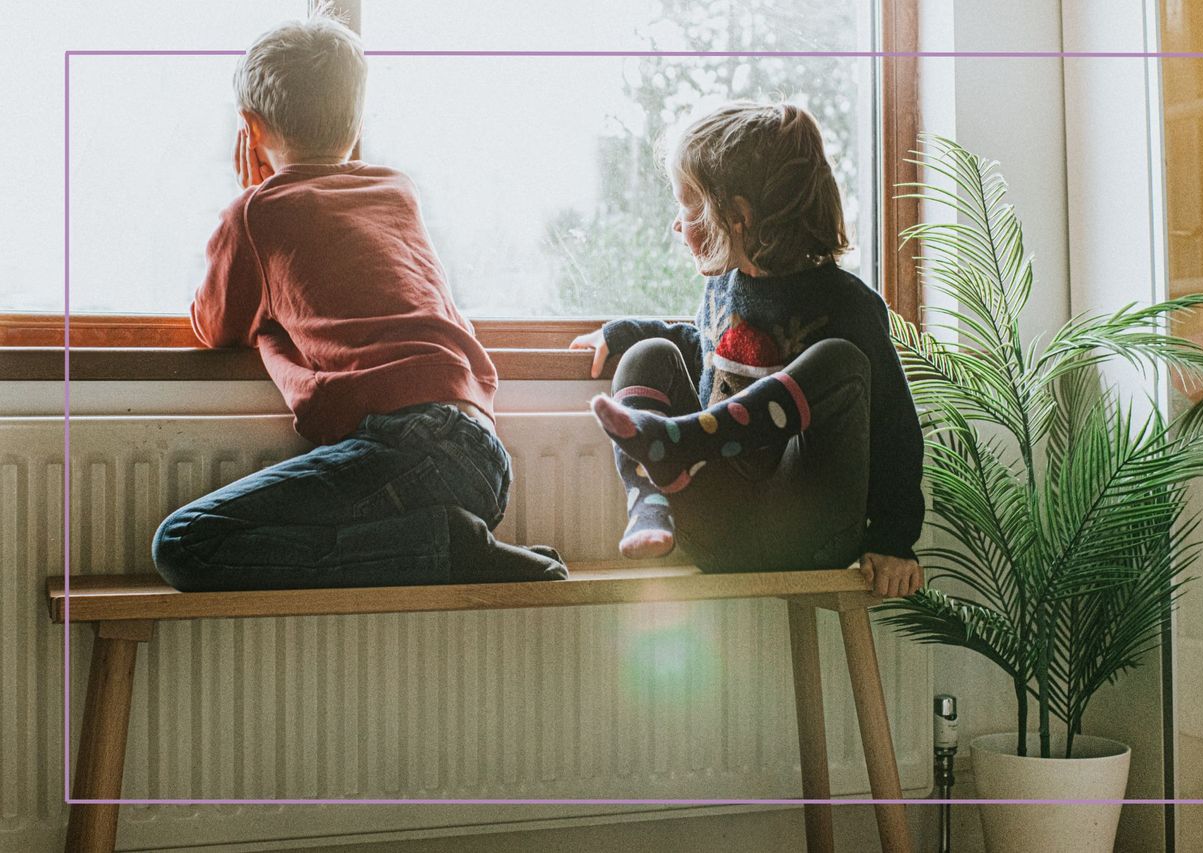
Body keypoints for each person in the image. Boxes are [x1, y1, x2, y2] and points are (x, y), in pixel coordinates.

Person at [152, 9, 566, 592]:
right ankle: (444, 542)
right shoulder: (397, 189)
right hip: (483, 453)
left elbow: (214, 326)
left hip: (410, 447)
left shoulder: (257, 212)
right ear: (356, 119)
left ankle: (443, 547)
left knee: (184, 543)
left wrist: (252, 199)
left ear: (249, 126)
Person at [570, 101, 924, 598]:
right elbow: (705, 351)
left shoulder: (848, 305)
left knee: (840, 362)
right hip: (714, 528)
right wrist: (624, 332)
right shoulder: (722, 292)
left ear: (737, 216)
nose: (677, 224)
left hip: (808, 531)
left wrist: (894, 539)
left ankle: (682, 442)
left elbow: (894, 429)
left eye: (687, 205)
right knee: (647, 354)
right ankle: (651, 500)